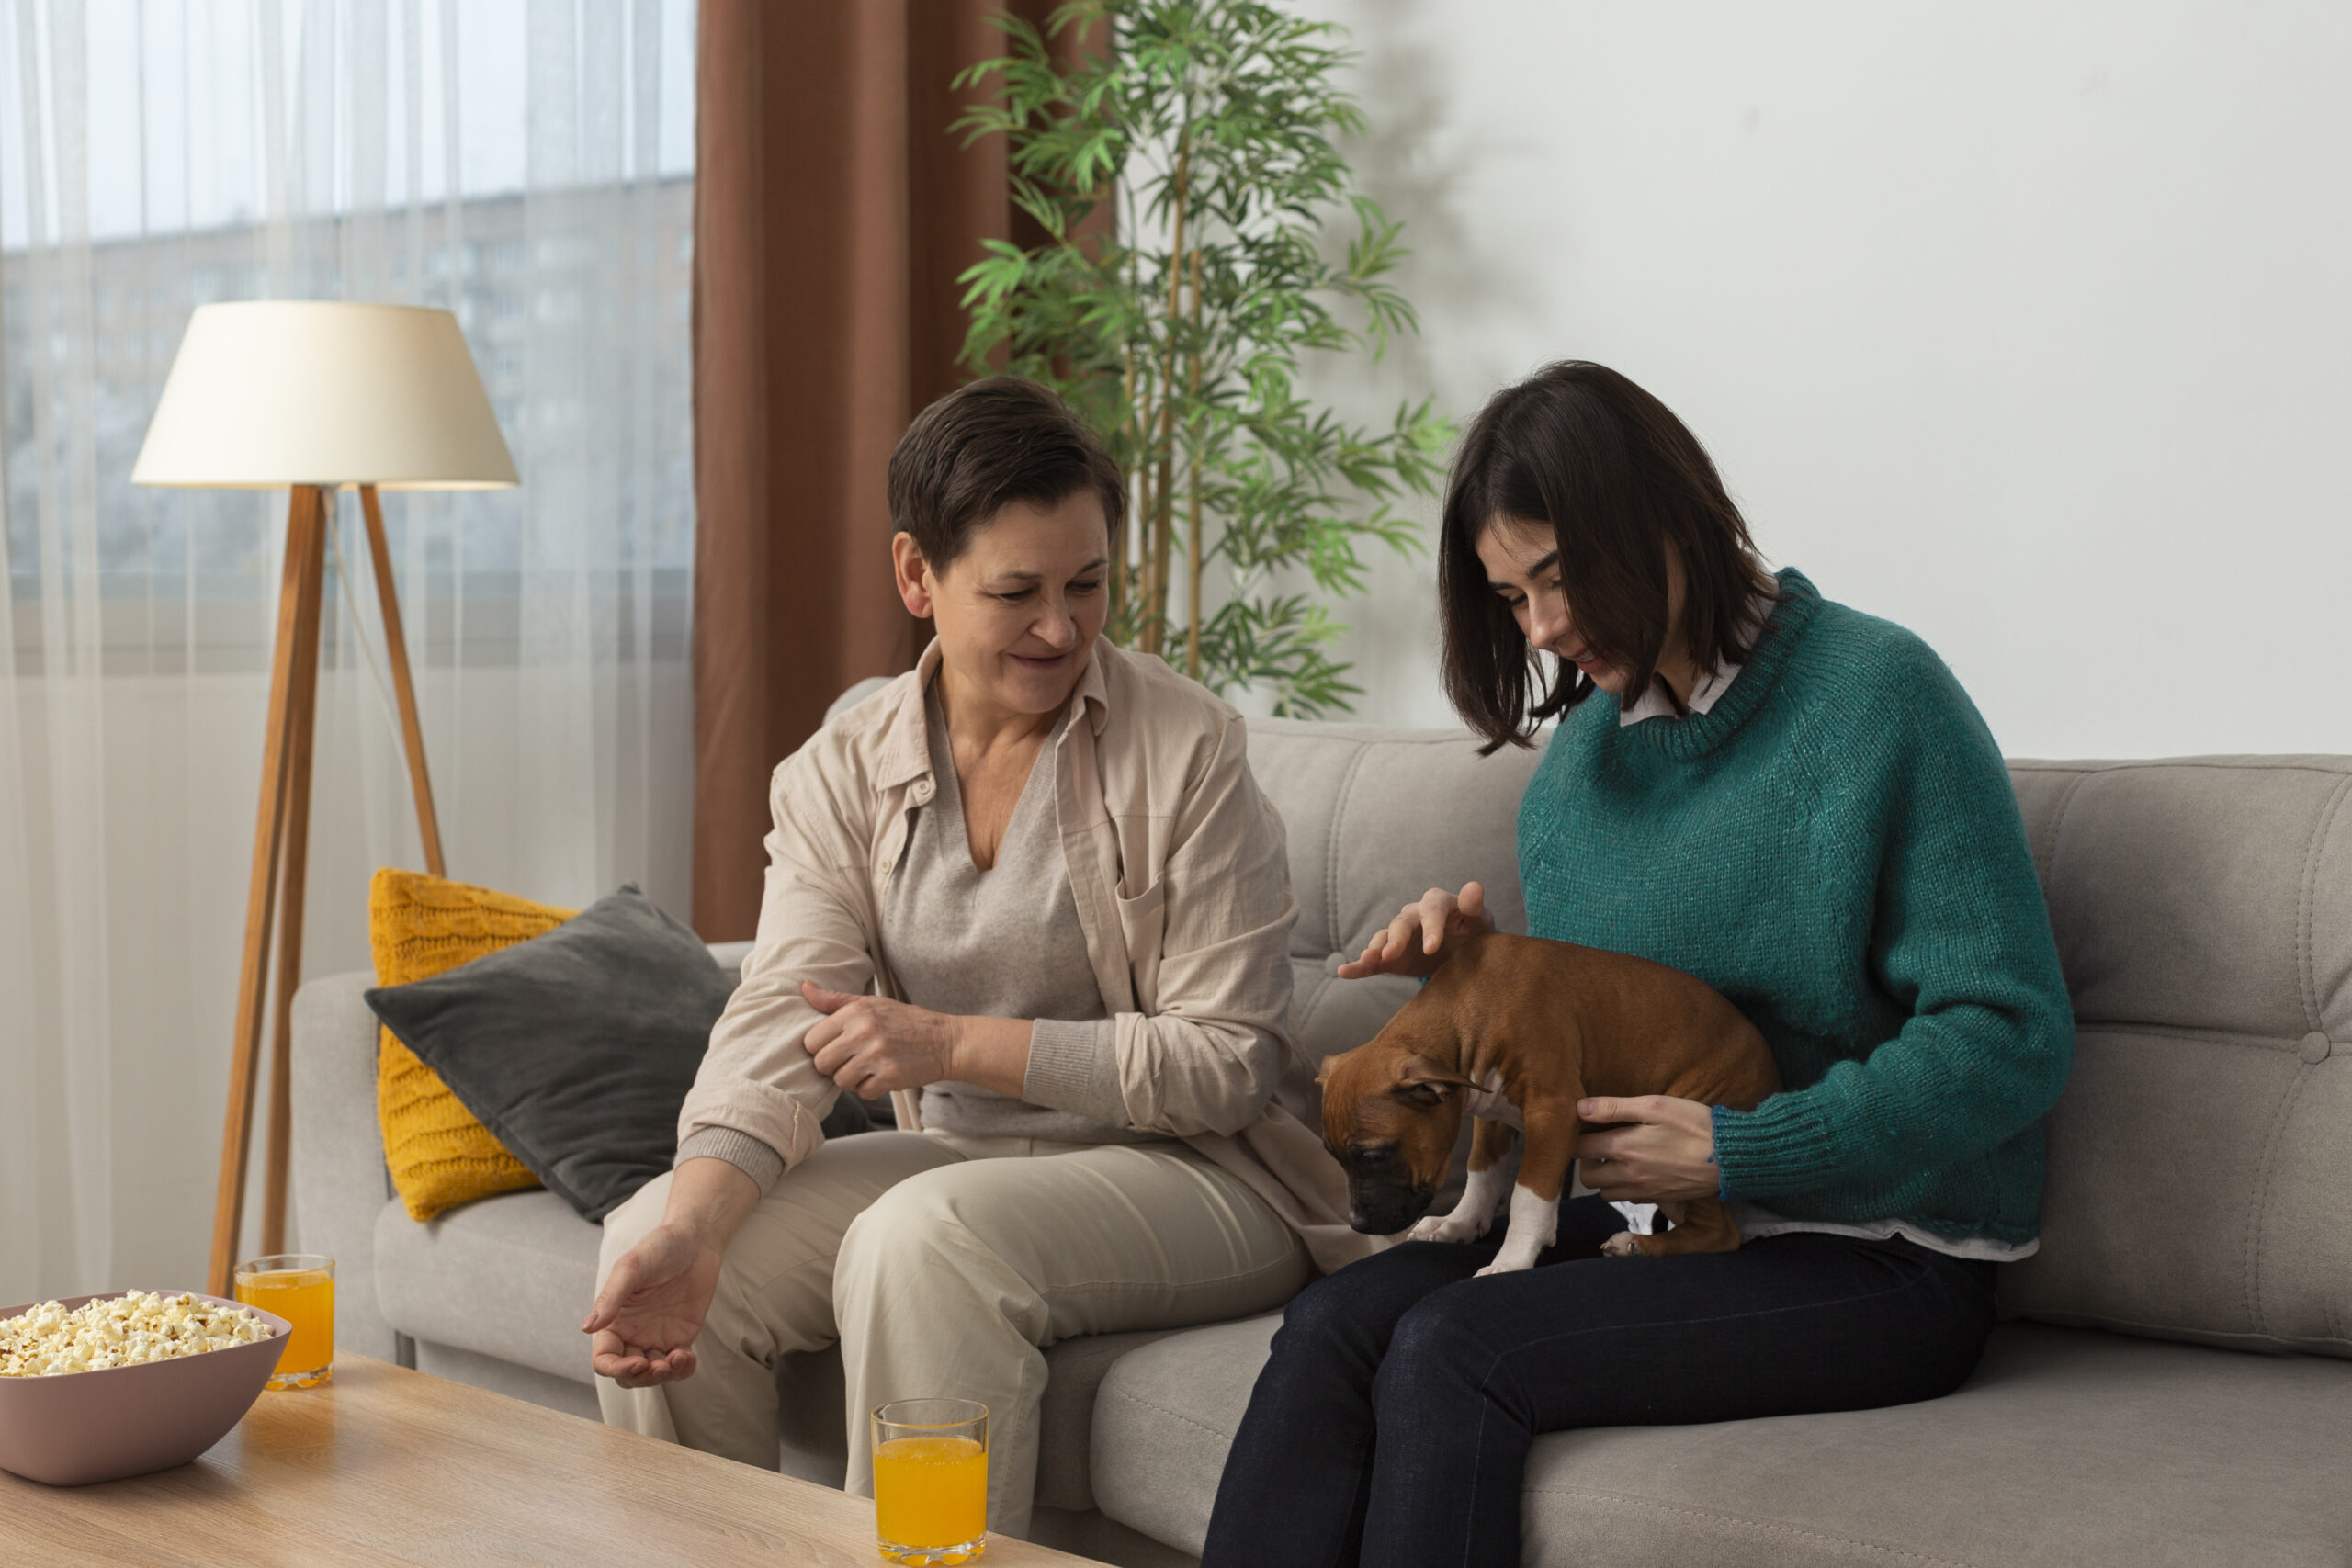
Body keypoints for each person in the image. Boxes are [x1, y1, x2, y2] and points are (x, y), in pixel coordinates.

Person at [1199, 360, 2075, 1567]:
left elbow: (2010, 1034)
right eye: (1512, 596)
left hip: (1887, 1252)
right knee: (1330, 1325)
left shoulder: (1882, 699)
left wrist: (1746, 1148)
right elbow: (1578, 1038)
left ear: (1668, 518)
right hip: (1659, 1220)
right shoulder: (1579, 772)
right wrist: (1470, 984)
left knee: (1455, 1347)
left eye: (1559, 574)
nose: (1543, 628)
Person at [583, 376, 1374, 1539]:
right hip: (963, 1157)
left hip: (1203, 1175)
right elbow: (780, 1016)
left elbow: (1225, 1066)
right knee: (655, 1232)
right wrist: (693, 1226)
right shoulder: (841, 768)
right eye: (1016, 593)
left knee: (922, 1241)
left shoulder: (1189, 750)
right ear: (917, 576)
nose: (1061, 629)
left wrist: (955, 1043)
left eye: (1086, 584)